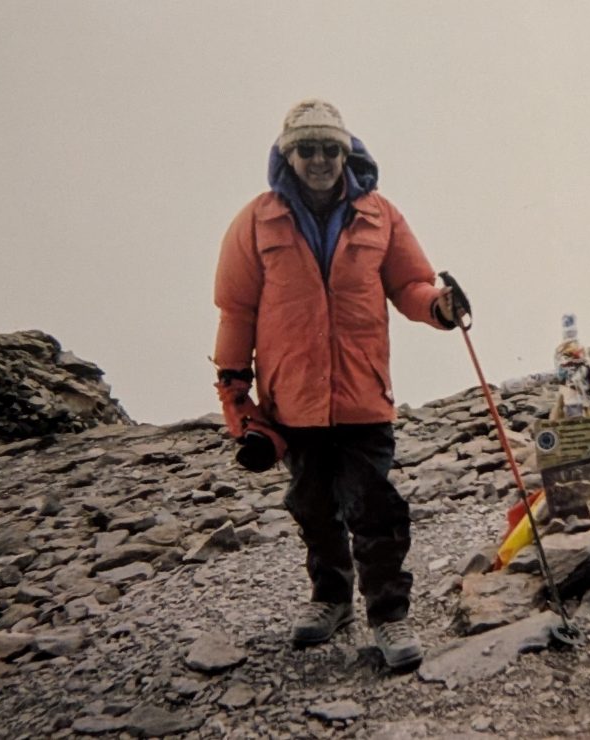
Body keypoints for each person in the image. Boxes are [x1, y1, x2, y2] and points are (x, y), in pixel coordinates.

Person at [211, 98, 461, 671]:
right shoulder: (256, 220)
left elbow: (411, 286)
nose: (320, 159)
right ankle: (331, 601)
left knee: (375, 507)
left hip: (362, 395)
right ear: (287, 155)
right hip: (291, 400)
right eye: (307, 149)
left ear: (346, 153)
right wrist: (234, 390)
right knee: (313, 506)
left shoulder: (380, 215)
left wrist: (440, 308)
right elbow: (236, 311)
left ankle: (389, 615)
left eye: (330, 148)